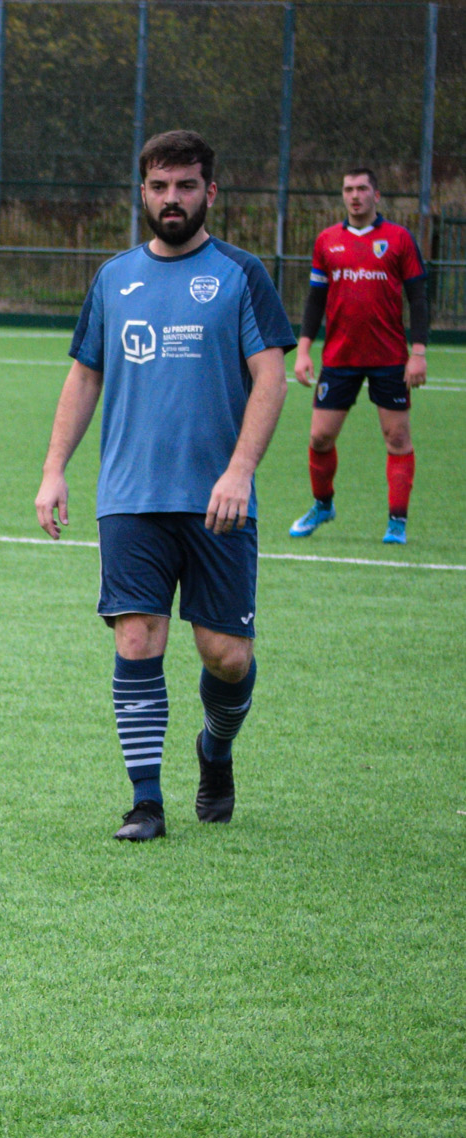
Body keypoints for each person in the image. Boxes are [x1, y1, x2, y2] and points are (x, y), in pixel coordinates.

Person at [37, 129, 294, 842]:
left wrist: (240, 470)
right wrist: (55, 467)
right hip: (129, 496)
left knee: (225, 654)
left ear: (210, 193)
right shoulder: (114, 278)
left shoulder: (242, 274)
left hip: (217, 499)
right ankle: (145, 802)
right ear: (142, 192)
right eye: (159, 186)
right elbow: (85, 373)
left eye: (185, 186)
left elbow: (270, 377)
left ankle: (215, 748)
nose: (171, 199)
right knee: (137, 639)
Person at [287, 166, 431, 546]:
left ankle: (396, 522)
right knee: (319, 437)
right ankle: (323, 505)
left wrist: (418, 352)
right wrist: (303, 350)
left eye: (362, 189)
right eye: (348, 189)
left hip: (389, 357)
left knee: (396, 437)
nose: (355, 195)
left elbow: (418, 298)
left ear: (376, 195)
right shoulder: (326, 241)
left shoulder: (398, 239)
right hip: (339, 356)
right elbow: (315, 298)